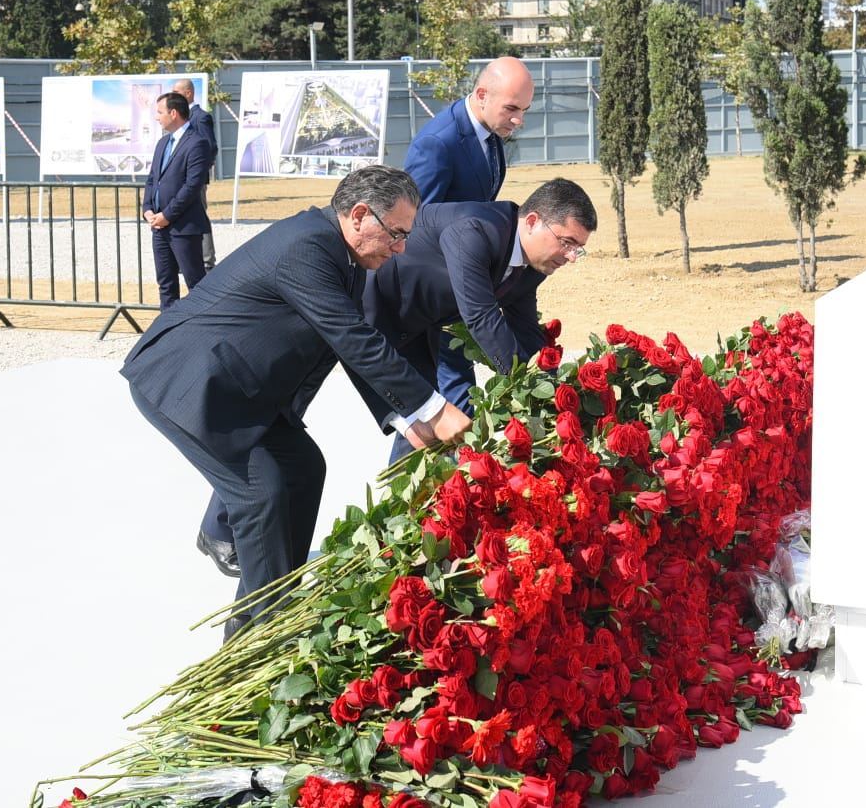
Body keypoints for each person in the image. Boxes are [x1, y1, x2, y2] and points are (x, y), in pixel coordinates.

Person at [121, 165, 472, 636]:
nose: (401, 247)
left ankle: (271, 602)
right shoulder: (306, 246)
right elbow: (351, 337)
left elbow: (349, 343)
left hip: (243, 390)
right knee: (259, 494)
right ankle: (261, 636)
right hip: (189, 383)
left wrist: (404, 418)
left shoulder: (342, 254)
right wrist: (434, 408)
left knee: (304, 467)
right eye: (396, 234)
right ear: (360, 215)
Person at [357, 178, 596, 463]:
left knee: (424, 426)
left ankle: (410, 505)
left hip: (422, 326)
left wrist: (558, 392)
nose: (571, 256)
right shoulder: (475, 230)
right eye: (567, 242)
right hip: (375, 309)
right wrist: (528, 387)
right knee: (420, 416)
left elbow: (527, 332)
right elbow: (481, 315)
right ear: (532, 221)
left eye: (578, 248)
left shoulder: (533, 265)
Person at [403, 56, 535, 412]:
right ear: (481, 95)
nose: (518, 120)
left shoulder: (490, 135)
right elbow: (413, 227)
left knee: (451, 400)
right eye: (511, 108)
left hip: (464, 286)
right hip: (436, 294)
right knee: (449, 399)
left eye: (524, 109)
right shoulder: (438, 143)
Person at [143, 92, 215, 309]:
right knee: (165, 283)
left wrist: (167, 215)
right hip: (159, 226)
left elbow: (192, 186)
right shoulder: (163, 143)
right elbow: (152, 180)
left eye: (159, 112)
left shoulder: (197, 142)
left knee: (196, 283)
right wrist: (147, 208)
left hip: (183, 227)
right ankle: (168, 330)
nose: (157, 117)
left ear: (173, 113)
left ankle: (203, 329)